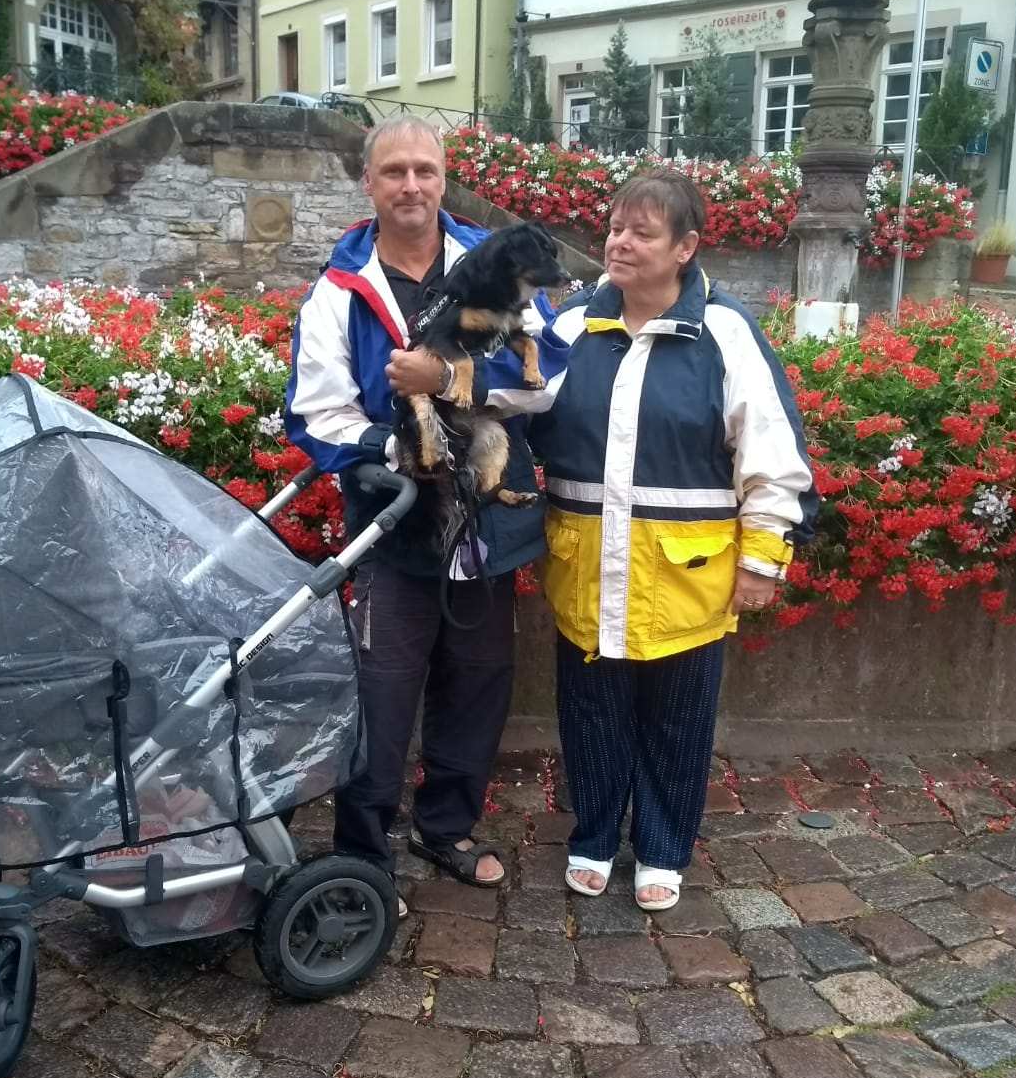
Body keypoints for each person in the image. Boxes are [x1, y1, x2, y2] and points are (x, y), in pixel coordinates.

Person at [283, 115, 566, 915]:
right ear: (368, 183)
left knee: (478, 682)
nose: (411, 185)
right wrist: (396, 447)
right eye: (394, 171)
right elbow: (317, 412)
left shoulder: (500, 261)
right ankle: (362, 854)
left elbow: (549, 378)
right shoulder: (339, 289)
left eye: (425, 170)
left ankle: (445, 828)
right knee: (382, 692)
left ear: (443, 179)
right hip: (394, 520)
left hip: (484, 524)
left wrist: (444, 381)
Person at [528, 168, 818, 911]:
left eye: (642, 232)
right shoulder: (570, 326)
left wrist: (762, 559)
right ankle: (594, 837)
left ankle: (662, 849)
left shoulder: (725, 332)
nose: (619, 243)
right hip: (586, 571)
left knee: (678, 724)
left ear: (685, 248)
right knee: (590, 717)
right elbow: (513, 409)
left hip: (688, 578)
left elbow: (771, 455)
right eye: (614, 227)